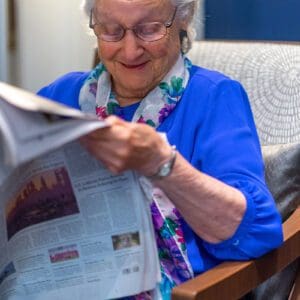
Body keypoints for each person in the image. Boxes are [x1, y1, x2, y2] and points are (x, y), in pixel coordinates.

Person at [38, 0, 283, 298]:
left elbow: (256, 232)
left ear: (183, 18)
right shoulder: (61, 97)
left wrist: (163, 164)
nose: (130, 51)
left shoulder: (214, 98)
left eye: (149, 30)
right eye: (112, 30)